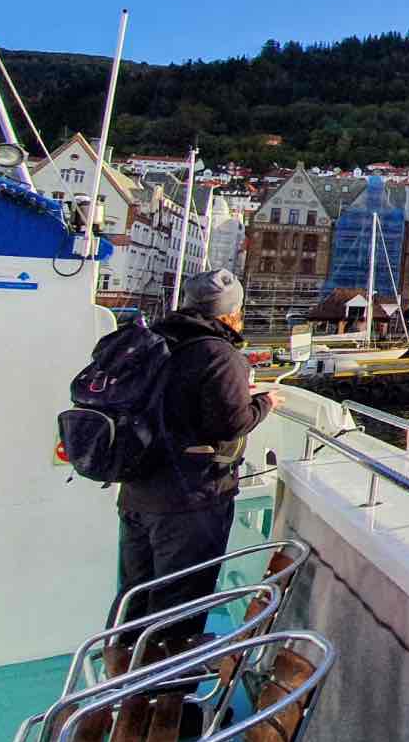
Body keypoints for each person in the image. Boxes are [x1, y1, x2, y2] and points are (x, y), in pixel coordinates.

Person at [116, 269, 284, 643]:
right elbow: (230, 423)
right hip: (190, 498)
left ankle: (123, 683)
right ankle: (165, 698)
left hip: (138, 489)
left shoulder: (154, 340)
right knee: (179, 606)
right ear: (230, 312)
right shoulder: (218, 353)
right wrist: (264, 403)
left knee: (136, 597)